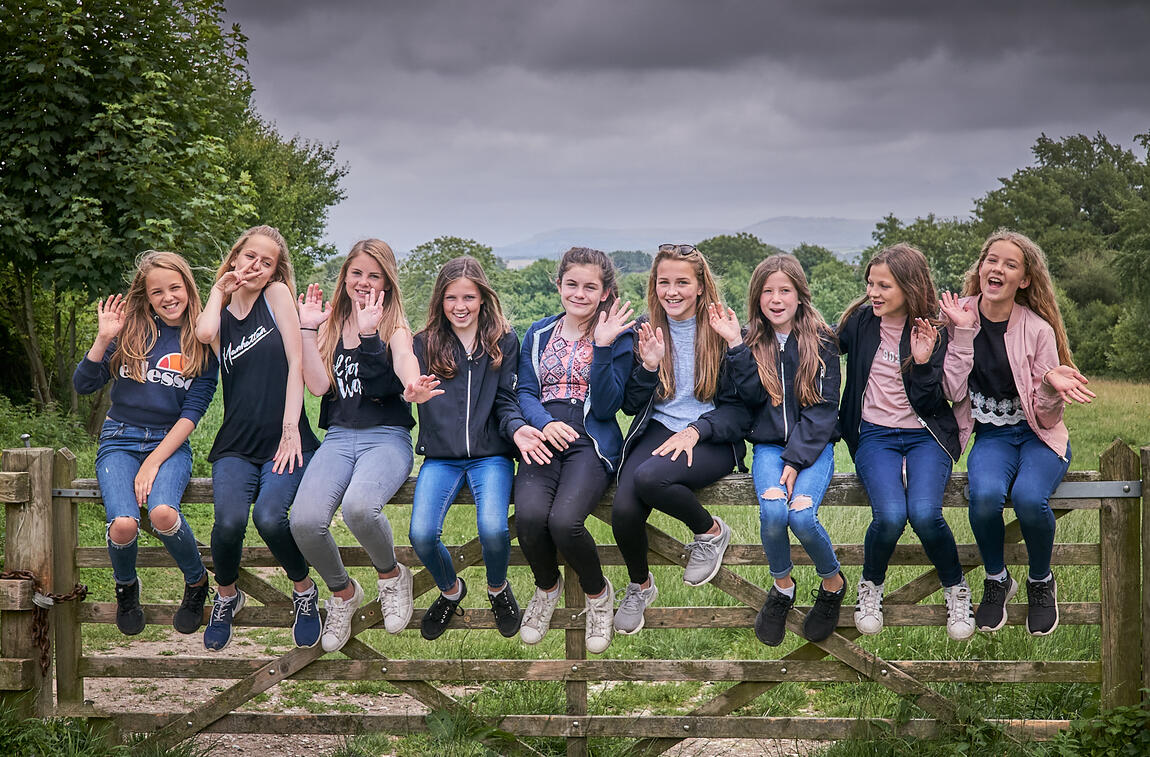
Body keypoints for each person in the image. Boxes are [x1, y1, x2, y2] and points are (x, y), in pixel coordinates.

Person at [290, 239, 442, 653]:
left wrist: (412, 385)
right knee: (303, 521)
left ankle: (392, 576)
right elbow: (320, 386)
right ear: (345, 278)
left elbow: (403, 364)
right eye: (356, 273)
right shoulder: (330, 324)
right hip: (338, 437)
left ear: (388, 283)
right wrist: (308, 328)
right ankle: (342, 593)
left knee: (359, 508)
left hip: (386, 438)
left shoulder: (394, 327)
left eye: (374, 275)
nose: (363, 282)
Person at [940, 229, 1093, 636]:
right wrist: (960, 334)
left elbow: (1045, 418)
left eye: (1011, 265)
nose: (998, 269)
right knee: (985, 496)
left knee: (1028, 498)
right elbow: (952, 391)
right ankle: (996, 579)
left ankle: (1041, 582)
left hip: (1037, 437)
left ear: (1023, 280)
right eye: (993, 260)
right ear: (981, 267)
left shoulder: (1038, 330)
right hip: (992, 437)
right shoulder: (959, 315)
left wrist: (1048, 386)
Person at [74, 251, 218, 636]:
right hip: (119, 439)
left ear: (188, 288)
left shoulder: (203, 340)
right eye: (158, 292)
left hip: (168, 444)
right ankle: (126, 587)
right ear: (146, 296)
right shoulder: (129, 331)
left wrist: (154, 461)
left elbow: (193, 413)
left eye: (175, 288)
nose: (168, 297)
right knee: (123, 524)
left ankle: (196, 582)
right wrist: (104, 338)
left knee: (163, 515)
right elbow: (83, 384)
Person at [837, 243, 974, 641]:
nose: (874, 293)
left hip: (925, 436)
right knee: (891, 516)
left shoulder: (933, 329)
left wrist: (924, 359)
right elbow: (819, 347)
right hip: (875, 436)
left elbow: (942, 396)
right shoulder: (861, 323)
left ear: (909, 287)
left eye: (884, 286)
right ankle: (870, 587)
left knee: (926, 514)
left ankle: (956, 590)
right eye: (870, 284)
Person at [195, 225, 322, 651]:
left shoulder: (277, 296)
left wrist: (291, 430)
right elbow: (205, 335)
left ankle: (304, 590)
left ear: (274, 273)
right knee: (228, 523)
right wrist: (219, 290)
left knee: (270, 517)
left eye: (266, 263)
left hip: (287, 438)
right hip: (236, 441)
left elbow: (295, 361)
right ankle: (227, 595)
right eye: (250, 257)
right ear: (235, 257)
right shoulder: (222, 308)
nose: (256, 266)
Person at [611, 243, 748, 637]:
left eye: (682, 282)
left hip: (713, 435)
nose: (671, 291)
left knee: (650, 479)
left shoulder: (723, 329)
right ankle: (640, 586)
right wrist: (649, 367)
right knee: (623, 507)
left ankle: (710, 532)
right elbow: (629, 405)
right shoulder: (646, 329)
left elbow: (743, 410)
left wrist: (697, 430)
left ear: (701, 286)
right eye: (663, 282)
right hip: (659, 427)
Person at [409, 256, 544, 640]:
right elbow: (406, 381)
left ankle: (498, 588)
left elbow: (506, 399)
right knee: (421, 534)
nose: (460, 306)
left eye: (469, 296)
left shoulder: (502, 341)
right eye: (451, 297)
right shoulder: (425, 343)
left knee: (493, 530)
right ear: (441, 300)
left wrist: (517, 431)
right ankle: (451, 590)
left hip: (491, 456)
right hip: (441, 458)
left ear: (483, 298)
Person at [713, 254, 845, 646]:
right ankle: (783, 587)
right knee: (773, 510)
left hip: (813, 446)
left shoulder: (822, 340)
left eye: (784, 290)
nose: (776, 298)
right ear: (757, 297)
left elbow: (823, 410)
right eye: (767, 291)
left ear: (799, 295)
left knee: (802, 517)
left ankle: (833, 583)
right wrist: (736, 345)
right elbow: (750, 399)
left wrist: (796, 459)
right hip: (768, 446)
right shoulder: (750, 341)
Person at [514, 247, 635, 654]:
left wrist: (602, 346)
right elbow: (526, 391)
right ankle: (547, 588)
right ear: (559, 284)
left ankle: (598, 594)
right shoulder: (538, 333)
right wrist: (544, 424)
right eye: (572, 284)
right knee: (529, 518)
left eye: (590, 287)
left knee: (565, 521)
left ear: (604, 292)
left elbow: (606, 406)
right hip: (544, 434)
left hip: (590, 440)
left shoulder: (619, 336)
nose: (579, 293)